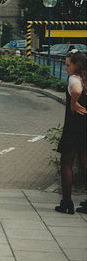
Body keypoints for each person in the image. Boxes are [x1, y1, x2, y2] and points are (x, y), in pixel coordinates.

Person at [54, 49, 87, 214]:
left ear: (76, 66)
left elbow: (76, 90)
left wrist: (73, 102)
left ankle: (67, 202)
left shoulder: (74, 78)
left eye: (68, 65)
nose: (65, 68)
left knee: (66, 162)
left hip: (73, 125)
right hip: (85, 125)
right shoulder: (85, 78)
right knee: (84, 162)